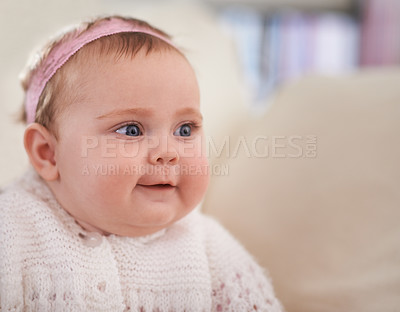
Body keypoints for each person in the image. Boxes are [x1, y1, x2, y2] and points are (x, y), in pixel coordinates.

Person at [0, 15, 282, 311]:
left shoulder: (211, 250)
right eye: (131, 130)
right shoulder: (12, 233)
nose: (168, 152)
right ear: (48, 153)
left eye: (184, 130)